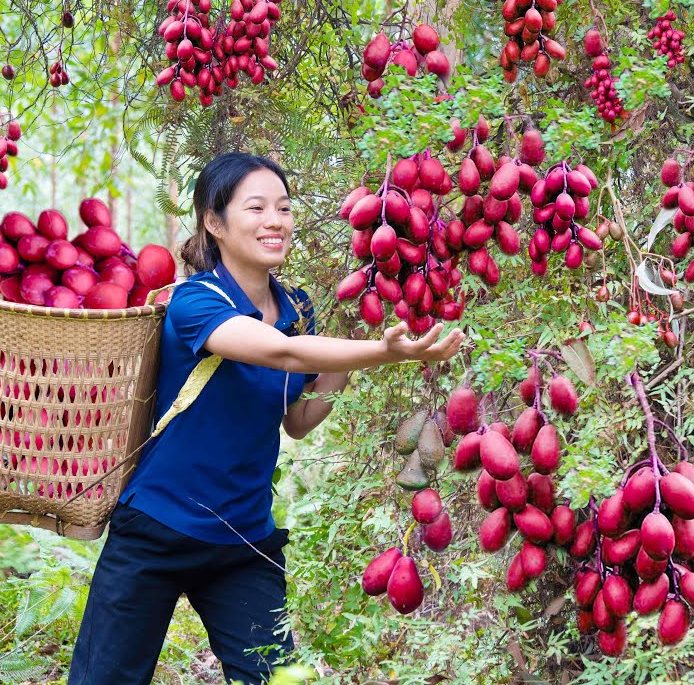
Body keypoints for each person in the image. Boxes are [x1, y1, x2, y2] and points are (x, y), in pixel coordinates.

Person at [68, 152, 464, 685]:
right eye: (255, 208)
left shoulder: (297, 308)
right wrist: (383, 352)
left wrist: (344, 359)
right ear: (214, 222)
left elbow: (298, 420)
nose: (274, 220)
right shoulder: (194, 301)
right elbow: (283, 355)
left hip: (243, 538)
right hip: (157, 529)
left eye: (283, 207)